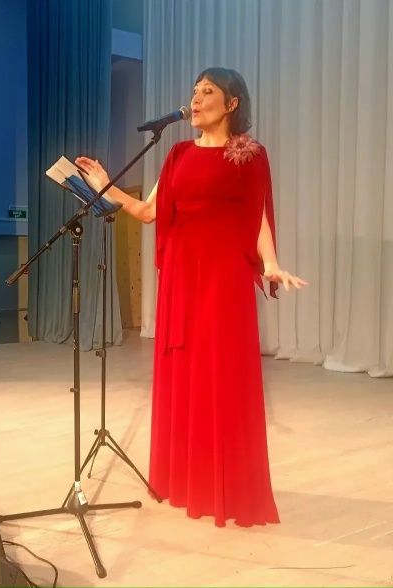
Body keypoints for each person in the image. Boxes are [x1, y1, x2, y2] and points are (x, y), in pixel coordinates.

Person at [75, 67, 307, 528]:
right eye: (194, 91)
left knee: (221, 377)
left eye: (207, 92)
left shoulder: (250, 155)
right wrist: (104, 185)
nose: (195, 100)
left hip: (223, 276)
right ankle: (186, 479)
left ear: (232, 103)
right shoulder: (178, 153)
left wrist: (270, 262)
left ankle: (226, 486)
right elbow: (148, 212)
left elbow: (258, 217)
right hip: (182, 276)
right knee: (184, 375)